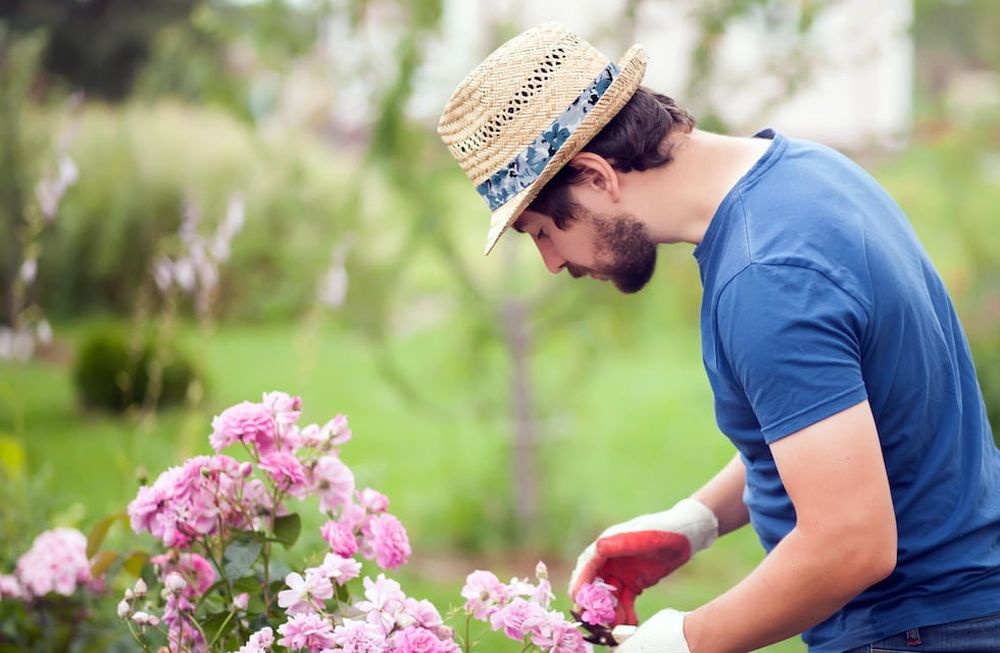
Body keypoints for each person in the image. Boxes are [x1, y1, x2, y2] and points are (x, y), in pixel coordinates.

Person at [437, 22, 1000, 653]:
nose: (551, 263)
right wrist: (697, 521)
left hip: (915, 629)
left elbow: (851, 545)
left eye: (543, 231)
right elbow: (835, 417)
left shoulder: (767, 278)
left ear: (597, 176)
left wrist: (681, 641)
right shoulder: (806, 175)